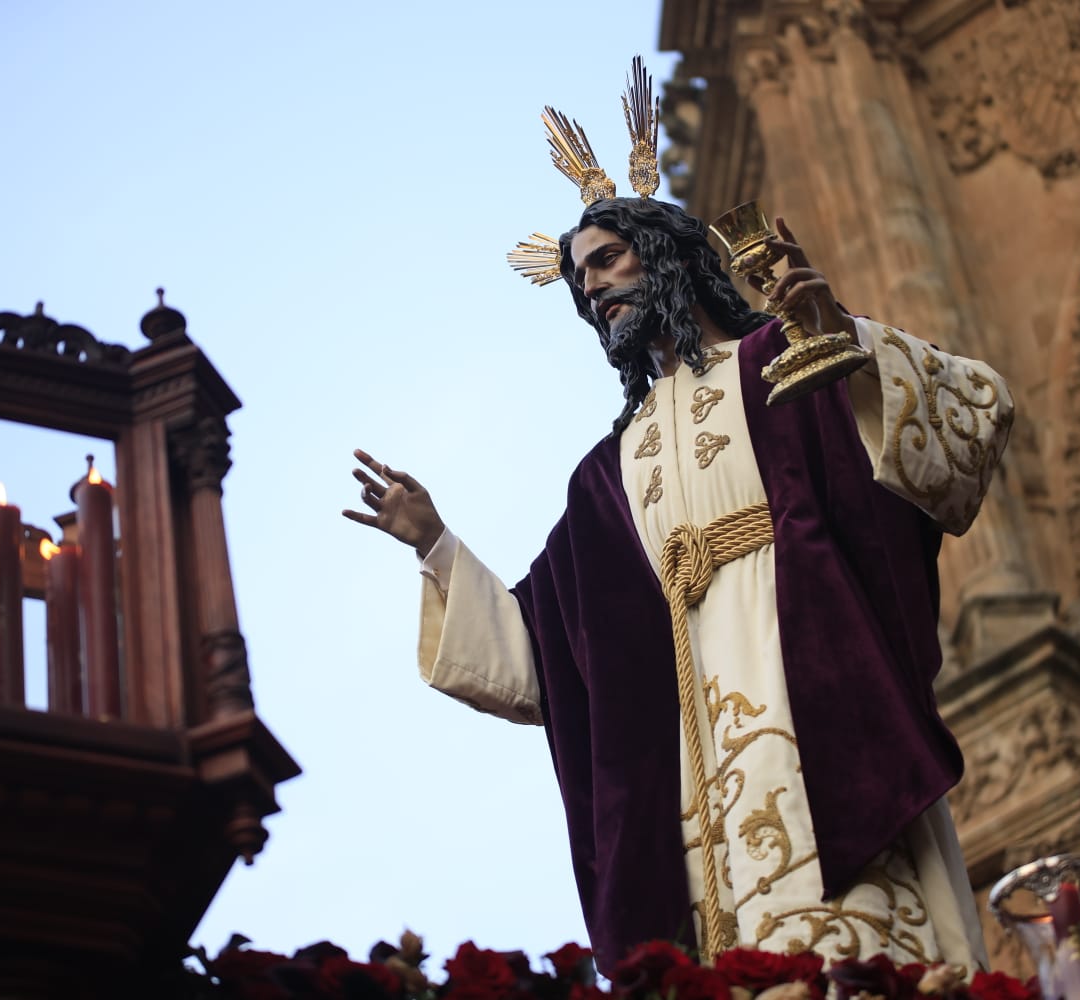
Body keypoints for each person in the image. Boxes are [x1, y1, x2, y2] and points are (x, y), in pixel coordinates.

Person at [343, 196, 1012, 977]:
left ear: (665, 253)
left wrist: (842, 341)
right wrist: (435, 543)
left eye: (605, 259)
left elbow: (963, 417)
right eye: (577, 279)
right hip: (683, 745)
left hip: (809, 688)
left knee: (847, 938)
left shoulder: (780, 357)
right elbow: (551, 650)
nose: (591, 288)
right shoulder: (605, 474)